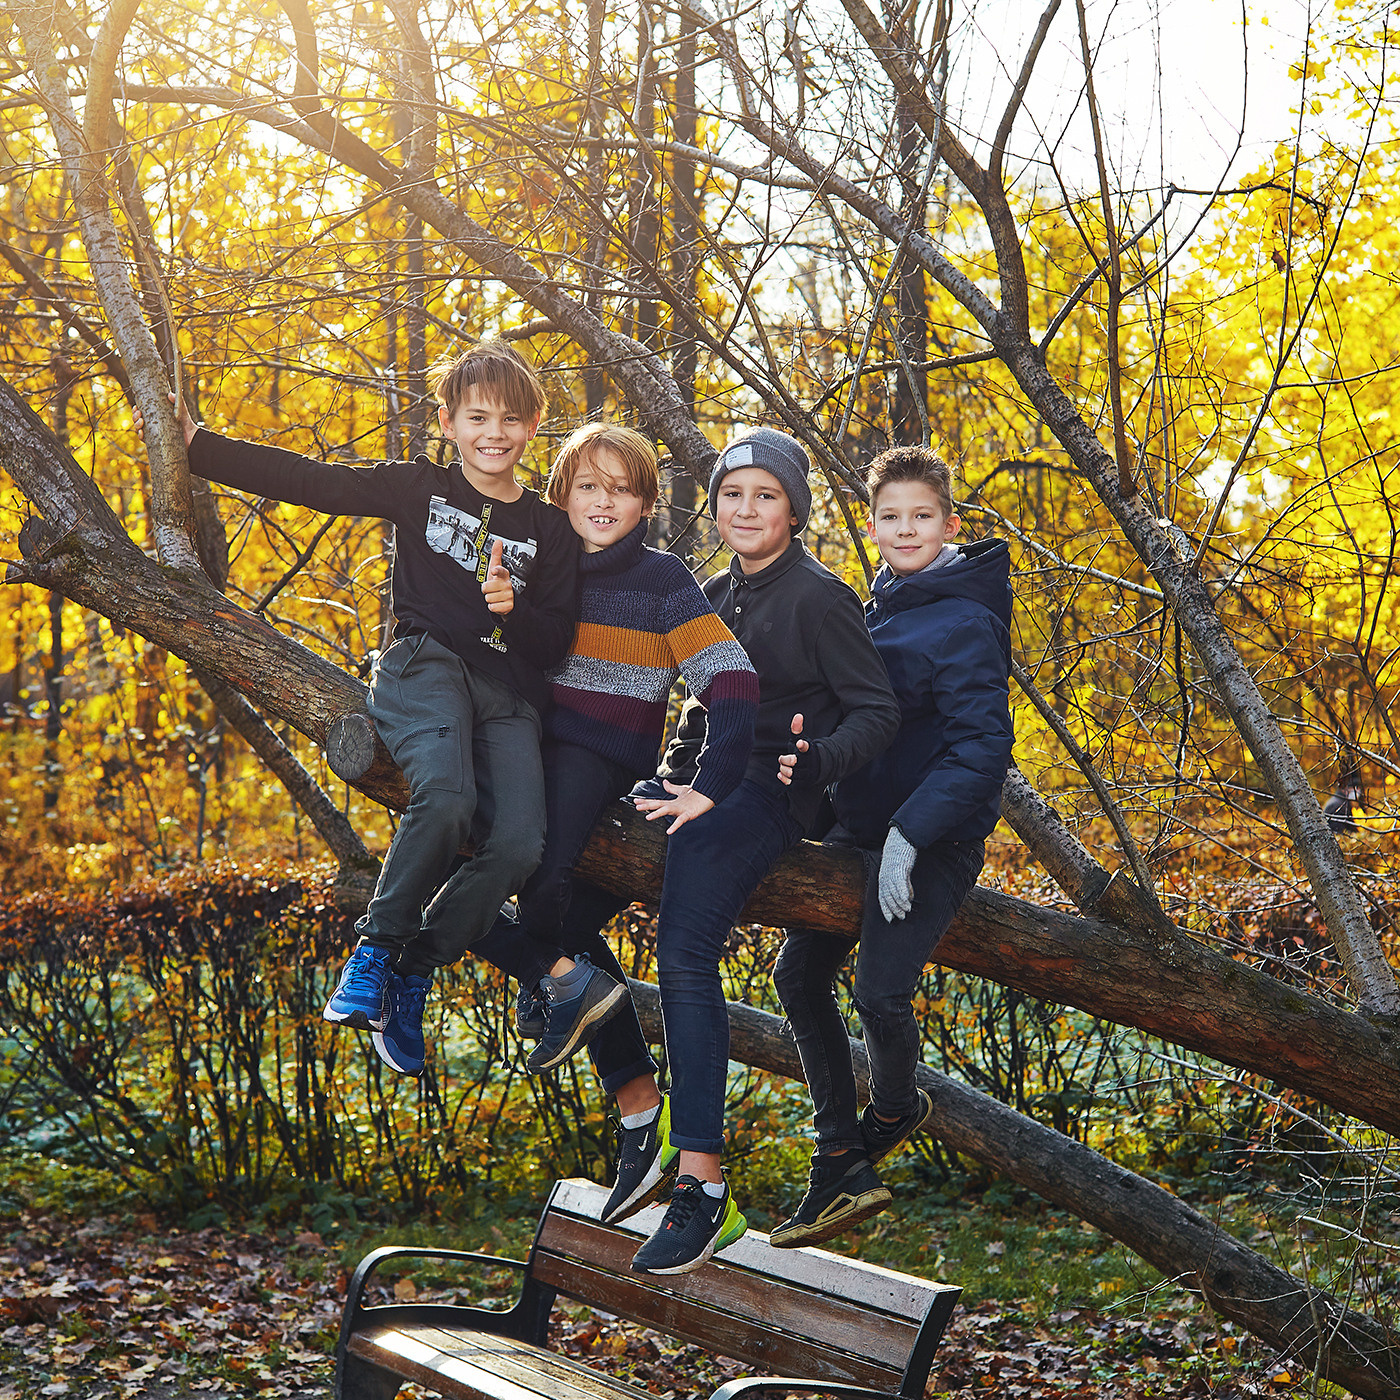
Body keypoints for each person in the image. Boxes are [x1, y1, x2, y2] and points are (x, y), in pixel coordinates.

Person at [141, 342, 582, 1053]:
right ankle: (374, 950)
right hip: (427, 666)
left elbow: (555, 642)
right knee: (447, 798)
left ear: (532, 426)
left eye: (509, 419)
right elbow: (316, 481)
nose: (493, 433)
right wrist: (200, 447)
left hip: (509, 697)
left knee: (519, 846)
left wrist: (515, 610)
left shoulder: (551, 529)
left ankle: (413, 969)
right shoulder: (419, 487)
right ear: (448, 422)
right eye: (477, 417)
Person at [543, 427, 900, 1276]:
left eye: (765, 496)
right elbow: (698, 712)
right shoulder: (709, 590)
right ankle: (642, 1112)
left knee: (684, 949)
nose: (745, 509)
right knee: (558, 912)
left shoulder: (822, 598)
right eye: (732, 494)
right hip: (696, 782)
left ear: (793, 510)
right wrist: (667, 775)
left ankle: (702, 1184)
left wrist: (819, 759)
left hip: (768, 795)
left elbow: (878, 713)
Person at [376, 422, 760, 1078]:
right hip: (518, 741)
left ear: (647, 504)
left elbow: (732, 678)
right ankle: (547, 979)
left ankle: (496, 976)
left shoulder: (661, 579)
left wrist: (710, 781)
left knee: (541, 870)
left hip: (597, 751)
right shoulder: (532, 565)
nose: (603, 502)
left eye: (622, 489)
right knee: (447, 856)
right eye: (587, 487)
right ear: (560, 495)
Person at [768, 444, 1013, 1247]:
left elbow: (982, 749)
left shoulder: (967, 620)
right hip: (858, 830)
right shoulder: (873, 610)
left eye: (923, 516)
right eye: (891, 517)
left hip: (933, 840)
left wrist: (911, 834)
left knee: (878, 992)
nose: (907, 529)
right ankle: (839, 1151)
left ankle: (896, 1108)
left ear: (950, 523)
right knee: (797, 974)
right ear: (871, 526)